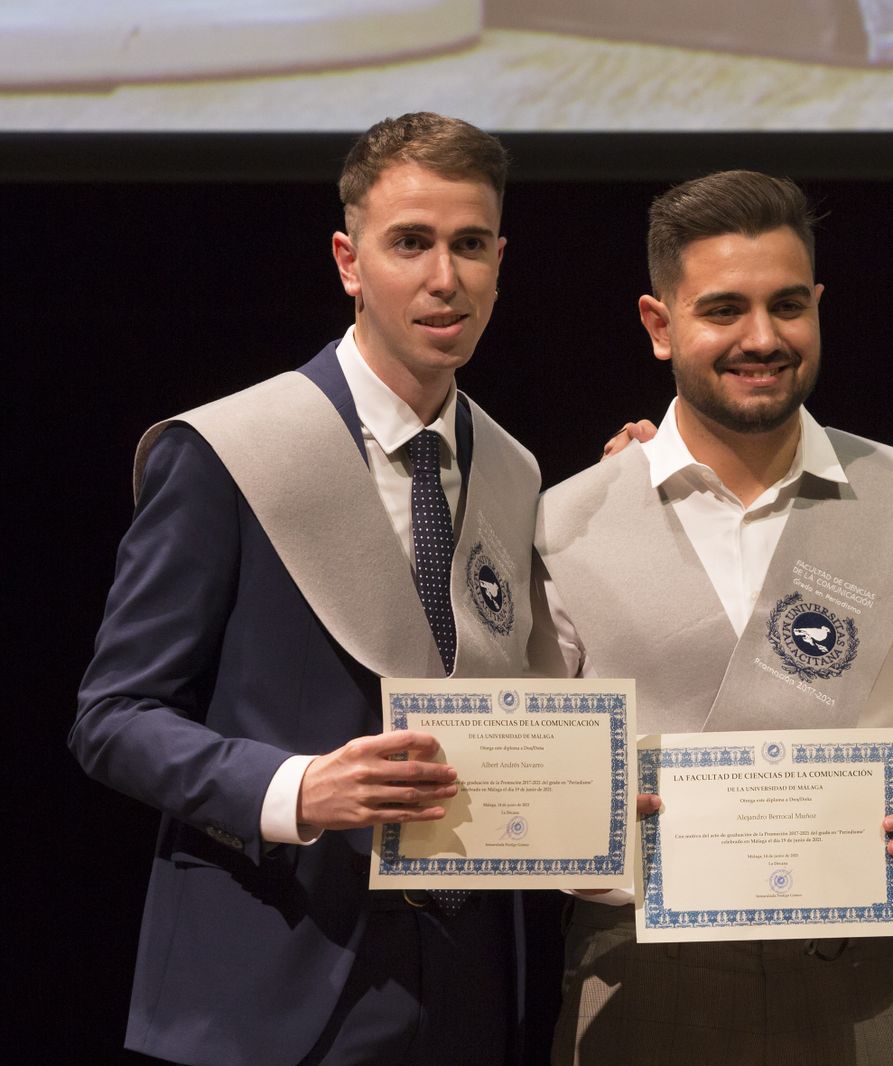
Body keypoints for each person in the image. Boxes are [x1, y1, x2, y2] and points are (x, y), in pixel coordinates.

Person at [70, 112, 542, 1066]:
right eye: (410, 243)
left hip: (472, 989)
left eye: (470, 245)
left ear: (500, 260)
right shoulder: (229, 453)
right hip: (268, 981)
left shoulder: (517, 472)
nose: (444, 278)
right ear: (348, 261)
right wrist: (296, 786)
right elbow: (113, 717)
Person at [533, 170, 893, 1065]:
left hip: (871, 982)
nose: (763, 338)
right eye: (724, 310)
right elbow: (532, 756)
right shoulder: (565, 519)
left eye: (788, 306)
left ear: (819, 307)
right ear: (658, 325)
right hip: (640, 982)